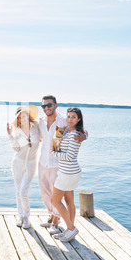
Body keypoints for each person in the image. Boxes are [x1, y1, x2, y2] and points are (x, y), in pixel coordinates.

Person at [37, 95, 86, 234]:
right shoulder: (40, 122)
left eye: (49, 105)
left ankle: (56, 222)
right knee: (45, 193)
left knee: (55, 195)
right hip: (42, 162)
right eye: (44, 106)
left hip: (57, 164)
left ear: (56, 105)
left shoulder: (64, 121)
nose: (46, 108)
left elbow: (80, 130)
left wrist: (84, 136)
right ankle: (51, 215)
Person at [50, 107, 84, 242]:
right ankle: (69, 230)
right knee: (69, 200)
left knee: (55, 200)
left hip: (68, 172)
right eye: (68, 116)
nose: (70, 119)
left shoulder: (75, 134)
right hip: (68, 172)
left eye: (73, 117)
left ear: (79, 119)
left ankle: (71, 229)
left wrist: (54, 154)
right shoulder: (68, 132)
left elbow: (70, 156)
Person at [7, 105, 40, 229]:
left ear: (28, 116)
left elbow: (47, 135)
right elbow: (15, 148)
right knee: (18, 192)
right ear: (18, 119)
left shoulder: (36, 127)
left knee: (23, 191)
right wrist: (9, 135)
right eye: (20, 117)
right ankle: (21, 216)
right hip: (18, 163)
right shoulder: (16, 131)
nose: (23, 118)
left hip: (31, 164)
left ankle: (26, 216)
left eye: (24, 115)